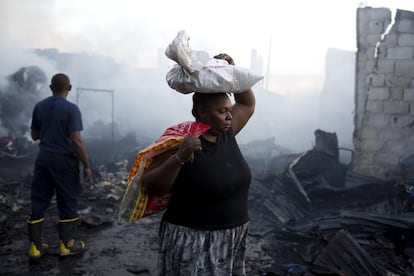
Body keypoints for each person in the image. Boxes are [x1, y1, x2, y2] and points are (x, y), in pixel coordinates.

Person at [142, 54, 255, 275]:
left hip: (231, 239)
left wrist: (229, 72)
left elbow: (247, 103)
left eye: (229, 110)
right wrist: (180, 157)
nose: (229, 116)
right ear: (202, 111)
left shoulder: (227, 134)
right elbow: (151, 186)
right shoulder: (180, 141)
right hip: (193, 242)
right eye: (222, 111)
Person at [27, 73, 92, 261]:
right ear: (69, 88)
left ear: (50, 87)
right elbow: (77, 141)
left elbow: (34, 136)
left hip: (43, 159)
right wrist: (86, 166)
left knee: (39, 199)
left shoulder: (39, 107)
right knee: (67, 199)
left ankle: (35, 247)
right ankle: (66, 246)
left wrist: (49, 130)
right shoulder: (72, 109)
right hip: (63, 161)